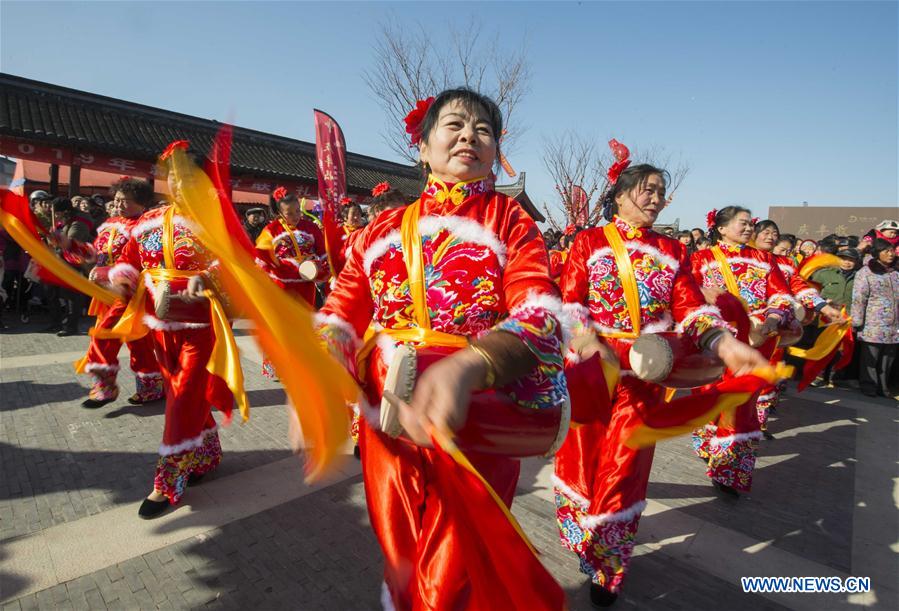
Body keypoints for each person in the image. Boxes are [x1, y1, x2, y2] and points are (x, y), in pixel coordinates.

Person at [315, 88, 568, 609]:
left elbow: (540, 313)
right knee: (402, 549)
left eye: (484, 130)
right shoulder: (381, 228)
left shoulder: (512, 222)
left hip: (474, 412)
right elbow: (341, 312)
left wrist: (474, 364)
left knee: (453, 564)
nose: (470, 136)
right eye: (454, 125)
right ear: (423, 147)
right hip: (387, 416)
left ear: (495, 151)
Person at [554, 163, 766, 606]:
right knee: (582, 457)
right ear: (621, 193)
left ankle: (607, 562)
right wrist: (585, 339)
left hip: (645, 376)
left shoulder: (672, 249)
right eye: (647, 189)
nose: (655, 198)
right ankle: (583, 538)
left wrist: (724, 343)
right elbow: (570, 301)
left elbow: (690, 308)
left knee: (626, 466)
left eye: (661, 192)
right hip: (593, 367)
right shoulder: (589, 242)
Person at [96, 141, 239, 519]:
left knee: (181, 400)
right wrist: (114, 279)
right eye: (172, 177)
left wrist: (207, 281)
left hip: (199, 327)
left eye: (187, 177)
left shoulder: (215, 220)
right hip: (160, 328)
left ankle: (166, 482)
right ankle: (206, 455)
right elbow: (129, 266)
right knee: (187, 398)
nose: (178, 184)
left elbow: (237, 267)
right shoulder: (147, 223)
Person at [691, 206, 798, 495]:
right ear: (721, 228)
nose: (749, 228)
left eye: (750, 223)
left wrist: (773, 319)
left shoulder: (763, 258)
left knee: (741, 404)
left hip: (756, 340)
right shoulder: (702, 259)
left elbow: (782, 295)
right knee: (710, 395)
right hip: (715, 340)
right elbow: (688, 297)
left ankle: (728, 470)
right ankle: (707, 442)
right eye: (742, 223)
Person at [76, 178, 163, 408]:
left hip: (131, 292)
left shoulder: (146, 226)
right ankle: (150, 389)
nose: (118, 204)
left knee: (105, 334)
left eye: (125, 200)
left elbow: (140, 262)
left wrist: (107, 272)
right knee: (138, 340)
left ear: (141, 203)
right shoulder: (110, 224)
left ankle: (105, 386)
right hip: (107, 292)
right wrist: (70, 246)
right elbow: (95, 252)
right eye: (116, 199)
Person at [255, 188, 328, 378]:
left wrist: (318, 266)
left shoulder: (311, 227)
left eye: (298, 211)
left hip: (305, 284)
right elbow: (261, 258)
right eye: (290, 213)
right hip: (280, 285)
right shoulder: (270, 230)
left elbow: (323, 253)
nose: (295, 216)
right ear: (280, 212)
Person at [851, 238, 899, 397]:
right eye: (886, 251)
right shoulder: (865, 272)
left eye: (892, 250)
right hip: (873, 323)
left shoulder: (895, 272)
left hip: (894, 325)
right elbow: (859, 298)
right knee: (870, 359)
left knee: (887, 359)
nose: (891, 254)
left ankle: (883, 388)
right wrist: (857, 322)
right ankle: (869, 386)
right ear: (877, 253)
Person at [47, 197, 93, 336]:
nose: (55, 216)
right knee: (53, 293)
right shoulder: (65, 222)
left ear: (65, 211)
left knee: (72, 296)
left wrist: (57, 238)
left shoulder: (78, 223)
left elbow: (73, 243)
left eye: (57, 213)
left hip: (76, 263)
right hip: (61, 262)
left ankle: (71, 326)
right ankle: (56, 323)